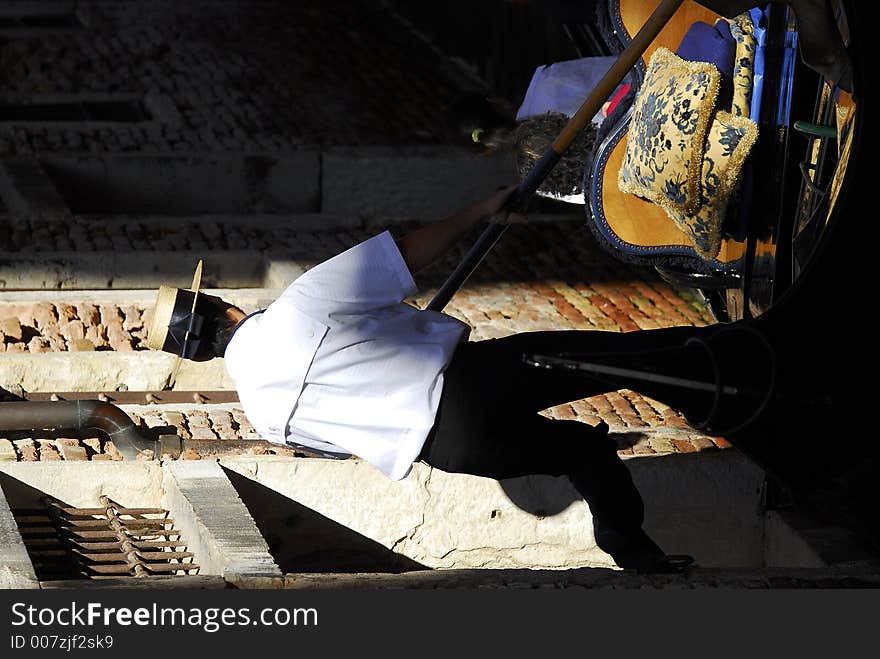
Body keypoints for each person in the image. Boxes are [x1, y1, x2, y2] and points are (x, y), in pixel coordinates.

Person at [147, 185, 716, 573]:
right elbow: (402, 255)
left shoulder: (264, 416)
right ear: (221, 308)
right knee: (613, 357)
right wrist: (479, 212)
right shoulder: (297, 306)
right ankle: (715, 373)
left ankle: (632, 547)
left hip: (452, 449)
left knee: (585, 453)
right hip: (475, 384)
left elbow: (347, 442)